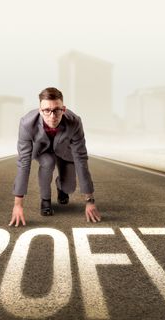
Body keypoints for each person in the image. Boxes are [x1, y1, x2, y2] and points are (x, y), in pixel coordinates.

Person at [9, 87, 101, 227]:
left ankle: (61, 187)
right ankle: (45, 199)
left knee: (69, 188)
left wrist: (89, 200)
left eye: (57, 110)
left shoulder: (74, 122)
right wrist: (18, 204)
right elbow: (24, 162)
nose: (52, 116)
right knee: (48, 162)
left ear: (63, 109)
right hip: (43, 151)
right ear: (40, 110)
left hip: (64, 151)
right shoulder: (26, 124)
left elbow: (81, 158)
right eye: (47, 110)